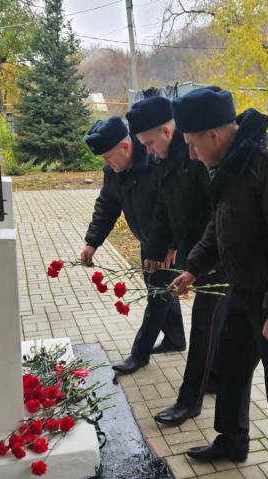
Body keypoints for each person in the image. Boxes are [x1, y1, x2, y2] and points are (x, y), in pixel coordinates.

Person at [168, 86, 268, 479]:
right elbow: (223, 222)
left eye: (191, 144)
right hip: (246, 284)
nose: (190, 154)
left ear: (213, 135)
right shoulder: (232, 161)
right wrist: (195, 266)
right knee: (232, 366)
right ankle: (232, 440)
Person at [129, 96, 233, 426]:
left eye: (148, 143)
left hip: (218, 259)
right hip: (199, 255)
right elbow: (164, 208)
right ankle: (214, 377)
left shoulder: (199, 156)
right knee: (215, 326)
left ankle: (190, 401)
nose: (148, 150)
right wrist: (155, 252)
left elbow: (220, 213)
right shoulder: (171, 161)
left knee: (204, 328)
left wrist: (203, 262)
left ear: (165, 130)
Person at [81, 116, 184, 374]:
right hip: (148, 240)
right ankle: (175, 339)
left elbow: (176, 206)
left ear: (125, 147)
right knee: (160, 288)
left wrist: (170, 245)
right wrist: (92, 242)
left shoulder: (155, 164)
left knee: (157, 295)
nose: (105, 162)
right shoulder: (115, 172)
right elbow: (107, 206)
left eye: (107, 156)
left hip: (168, 244)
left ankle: (140, 354)